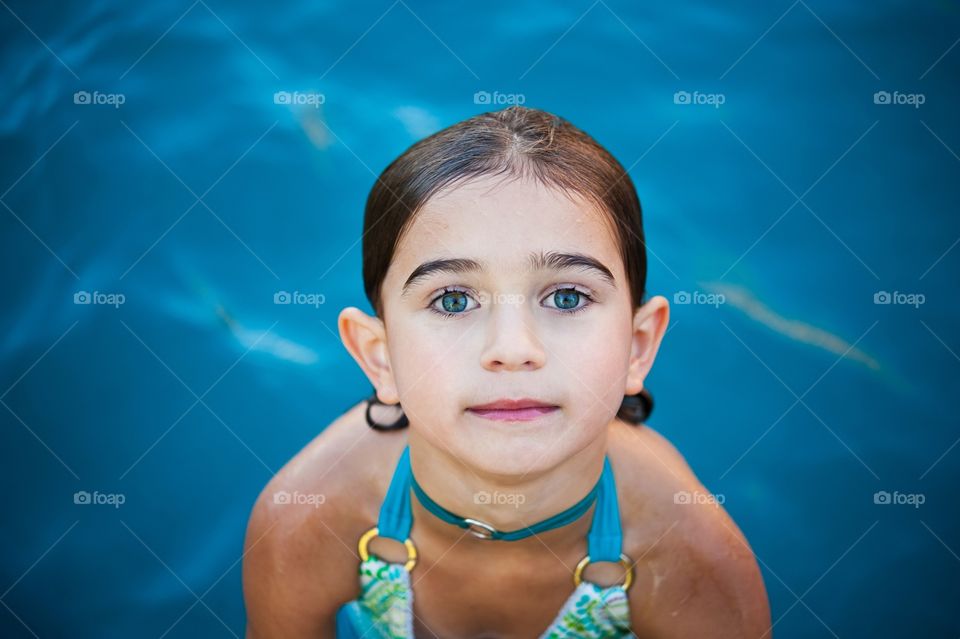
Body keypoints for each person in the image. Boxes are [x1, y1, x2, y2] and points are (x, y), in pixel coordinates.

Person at [242, 106, 771, 638]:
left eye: (567, 297)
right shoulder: (311, 514)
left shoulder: (691, 558)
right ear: (380, 357)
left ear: (638, 346)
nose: (513, 349)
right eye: (451, 301)